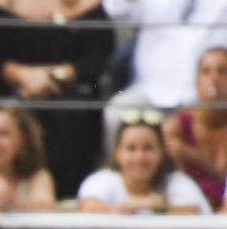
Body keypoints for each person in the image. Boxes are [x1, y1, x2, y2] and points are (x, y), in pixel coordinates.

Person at [0, 0, 111, 199]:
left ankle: (70, 194)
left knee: (70, 112)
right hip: (17, 88)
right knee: (14, 116)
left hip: (72, 88)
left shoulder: (89, 6)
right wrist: (24, 75)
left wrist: (57, 75)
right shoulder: (2, 6)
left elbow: (100, 56)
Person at [99, 0, 227, 150]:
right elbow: (119, 11)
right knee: (117, 111)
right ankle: (116, 172)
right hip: (149, 93)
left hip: (203, 100)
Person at [78, 112, 211, 213]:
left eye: (148, 148)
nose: (139, 158)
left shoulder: (178, 181)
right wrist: (121, 211)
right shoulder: (102, 180)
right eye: (131, 148)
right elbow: (88, 208)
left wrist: (155, 205)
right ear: (117, 152)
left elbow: (192, 212)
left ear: (162, 152)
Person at [164, 47, 227, 208]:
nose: (214, 79)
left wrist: (195, 158)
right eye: (206, 72)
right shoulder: (176, 128)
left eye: (223, 72)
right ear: (197, 82)